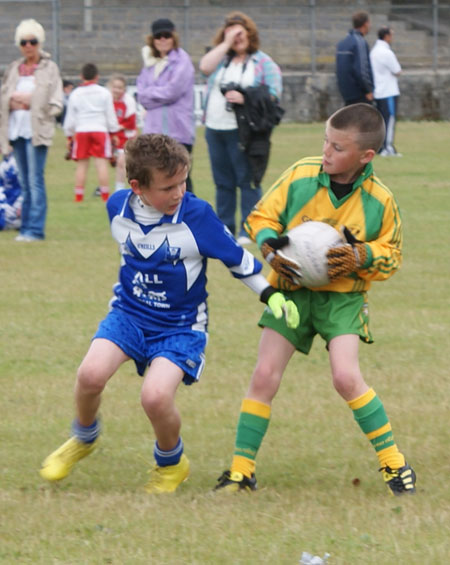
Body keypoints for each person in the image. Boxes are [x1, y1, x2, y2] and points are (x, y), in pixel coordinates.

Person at [39, 134, 299, 493]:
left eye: (182, 182)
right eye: (167, 187)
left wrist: (270, 295)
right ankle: (84, 438)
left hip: (180, 328)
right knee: (89, 376)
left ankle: (171, 463)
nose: (178, 192)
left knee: (155, 397)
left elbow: (238, 261)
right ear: (137, 187)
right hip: (128, 315)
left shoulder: (197, 215)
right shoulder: (117, 207)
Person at [214, 104, 416, 497]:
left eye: (338, 147)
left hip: (342, 300)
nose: (326, 151)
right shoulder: (302, 175)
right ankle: (241, 472)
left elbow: (392, 256)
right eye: (326, 140)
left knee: (345, 377)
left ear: (366, 156)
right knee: (263, 375)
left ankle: (394, 463)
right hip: (291, 293)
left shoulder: (380, 201)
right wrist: (271, 251)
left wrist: (363, 255)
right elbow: (259, 219)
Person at [199, 11, 282, 246]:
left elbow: (274, 96)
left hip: (245, 131)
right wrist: (225, 44)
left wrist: (246, 97)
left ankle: (249, 229)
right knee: (222, 182)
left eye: (240, 33)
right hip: (215, 128)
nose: (237, 39)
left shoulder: (263, 63)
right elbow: (204, 67)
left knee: (247, 181)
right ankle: (225, 229)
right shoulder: (221, 60)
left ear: (250, 34)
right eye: (231, 33)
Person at [0, 18, 63, 241]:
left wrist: (32, 100)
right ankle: (24, 227)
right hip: (15, 131)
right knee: (24, 182)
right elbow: (4, 97)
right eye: (24, 42)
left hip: (37, 133)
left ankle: (35, 229)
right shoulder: (14, 68)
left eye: (33, 41)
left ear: (39, 42)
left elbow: (56, 102)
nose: (28, 46)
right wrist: (14, 101)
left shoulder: (50, 68)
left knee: (35, 181)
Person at [137, 18, 195, 193]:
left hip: (178, 132)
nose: (162, 39)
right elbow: (141, 95)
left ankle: (187, 218)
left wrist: (151, 92)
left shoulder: (183, 61)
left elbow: (172, 92)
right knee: (155, 180)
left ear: (173, 37)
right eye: (158, 36)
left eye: (167, 35)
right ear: (152, 40)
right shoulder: (149, 64)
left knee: (180, 179)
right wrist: (157, 93)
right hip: (153, 133)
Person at [63, 63, 120, 202]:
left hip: (82, 131)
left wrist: (69, 136)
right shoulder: (104, 92)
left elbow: (70, 118)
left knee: (82, 165)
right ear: (97, 76)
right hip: (100, 130)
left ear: (81, 77)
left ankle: (79, 197)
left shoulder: (75, 93)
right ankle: (105, 197)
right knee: (101, 164)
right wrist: (113, 133)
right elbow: (110, 115)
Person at [370, 27, 402, 157]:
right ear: (387, 36)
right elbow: (397, 70)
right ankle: (387, 147)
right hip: (388, 91)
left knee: (381, 120)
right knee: (389, 119)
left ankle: (380, 146)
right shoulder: (387, 53)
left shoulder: (373, 51)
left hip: (378, 90)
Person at [336, 11, 374, 106]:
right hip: (360, 94)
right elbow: (361, 70)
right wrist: (368, 90)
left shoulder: (342, 43)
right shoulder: (359, 42)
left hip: (346, 93)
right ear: (365, 24)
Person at [107, 73, 138, 191]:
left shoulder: (128, 101)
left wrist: (117, 127)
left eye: (120, 88)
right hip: (111, 138)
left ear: (124, 89)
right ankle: (104, 188)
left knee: (122, 162)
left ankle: (119, 189)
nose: (117, 90)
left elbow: (131, 122)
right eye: (114, 87)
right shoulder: (107, 99)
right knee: (110, 163)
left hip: (125, 137)